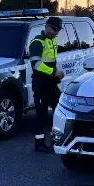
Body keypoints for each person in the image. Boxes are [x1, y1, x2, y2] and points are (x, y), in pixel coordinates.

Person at [30, 16, 65, 153]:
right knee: (41, 114)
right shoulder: (37, 43)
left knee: (58, 110)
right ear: (47, 27)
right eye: (55, 29)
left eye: (58, 30)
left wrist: (56, 76)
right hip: (40, 83)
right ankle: (39, 144)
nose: (57, 32)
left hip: (50, 82)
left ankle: (55, 140)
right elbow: (36, 64)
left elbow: (52, 61)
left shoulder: (52, 41)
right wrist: (54, 73)